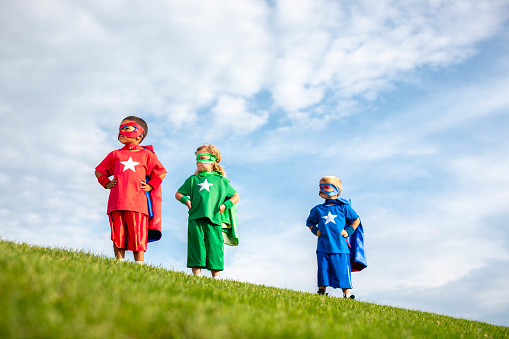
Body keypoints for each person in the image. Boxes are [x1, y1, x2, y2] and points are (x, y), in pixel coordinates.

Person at [95, 116, 166, 264]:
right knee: (118, 233)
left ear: (140, 135)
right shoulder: (114, 154)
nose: (121, 132)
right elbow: (99, 171)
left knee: (138, 233)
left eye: (127, 128)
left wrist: (151, 185)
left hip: (138, 203)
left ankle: (139, 264)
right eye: (120, 128)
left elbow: (161, 172)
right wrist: (106, 183)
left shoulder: (146, 154)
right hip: (116, 202)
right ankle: (119, 262)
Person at [175, 144, 239, 279]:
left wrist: (224, 206)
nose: (198, 161)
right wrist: (186, 201)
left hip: (214, 219)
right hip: (195, 218)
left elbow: (235, 196)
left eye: (202, 158)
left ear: (213, 160)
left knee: (215, 247)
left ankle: (216, 277)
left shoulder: (221, 181)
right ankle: (196, 277)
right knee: (196, 246)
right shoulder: (193, 180)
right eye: (197, 159)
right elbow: (178, 193)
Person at [306, 176, 366, 299]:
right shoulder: (317, 209)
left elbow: (356, 220)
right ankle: (321, 292)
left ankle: (347, 295)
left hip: (340, 246)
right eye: (320, 187)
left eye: (326, 187)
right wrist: (315, 230)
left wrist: (349, 231)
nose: (322, 189)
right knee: (323, 269)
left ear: (336, 190)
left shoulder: (344, 207)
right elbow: (309, 222)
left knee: (343, 270)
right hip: (323, 246)